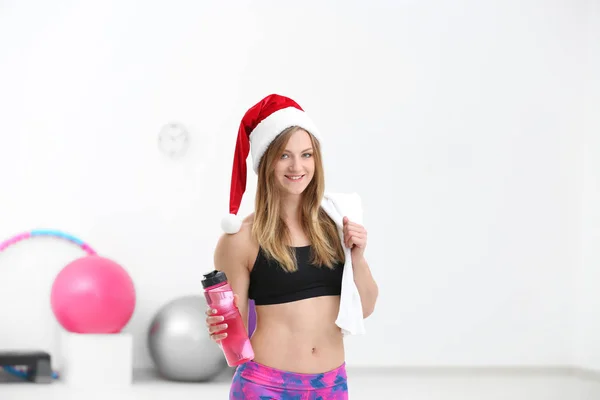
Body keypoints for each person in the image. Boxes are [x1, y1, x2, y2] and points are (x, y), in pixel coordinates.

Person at [206, 94, 379, 399]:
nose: (297, 166)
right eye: (284, 155)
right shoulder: (240, 240)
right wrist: (219, 326)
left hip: (331, 385)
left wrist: (358, 256)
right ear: (266, 161)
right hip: (265, 386)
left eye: (307, 154)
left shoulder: (335, 225)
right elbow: (235, 336)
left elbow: (364, 308)